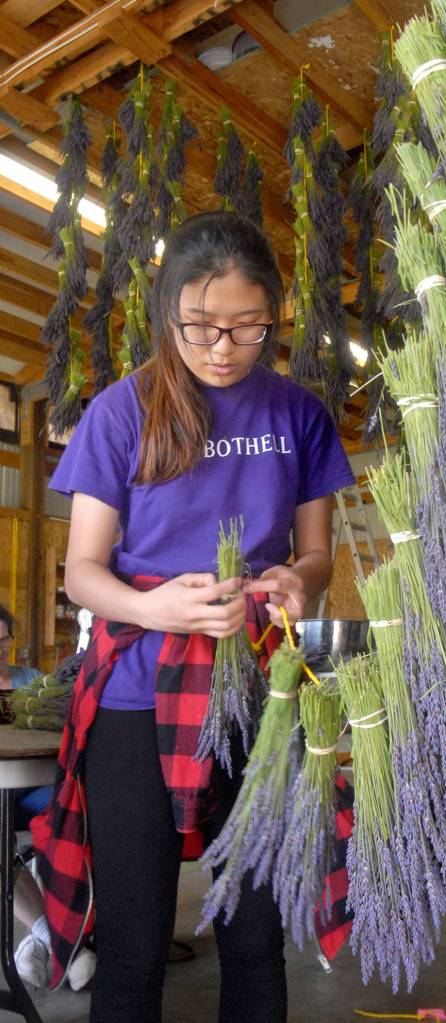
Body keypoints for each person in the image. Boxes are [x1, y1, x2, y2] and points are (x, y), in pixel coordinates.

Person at [33, 210, 354, 1023]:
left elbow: (318, 558)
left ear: (273, 316)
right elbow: (81, 575)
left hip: (260, 692)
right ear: (167, 309)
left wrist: (295, 578)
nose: (221, 347)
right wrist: (154, 605)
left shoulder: (299, 415)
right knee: (137, 941)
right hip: (140, 699)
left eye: (248, 328)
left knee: (254, 931)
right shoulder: (121, 411)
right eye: (202, 326)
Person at [0, 605, 96, 991]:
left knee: (79, 816)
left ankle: (56, 936)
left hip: (37, 784)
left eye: (3, 640)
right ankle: (55, 940)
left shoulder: (32, 682)